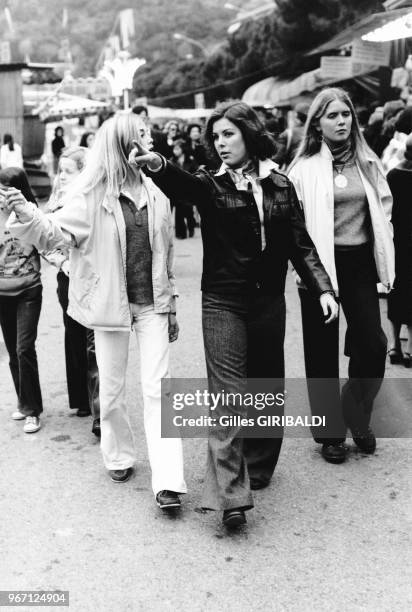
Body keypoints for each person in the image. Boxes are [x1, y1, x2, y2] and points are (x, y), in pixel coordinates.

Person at [129, 100, 338, 528]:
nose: (220, 143)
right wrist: (157, 164)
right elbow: (183, 185)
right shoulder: (210, 182)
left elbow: (301, 244)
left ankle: (258, 464)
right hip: (222, 300)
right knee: (227, 396)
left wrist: (324, 289)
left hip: (267, 302)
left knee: (266, 386)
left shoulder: (280, 184)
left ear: (248, 133)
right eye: (216, 137)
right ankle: (230, 495)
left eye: (228, 134)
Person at [3, 112, 186, 510]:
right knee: (113, 389)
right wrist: (24, 211)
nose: (148, 142)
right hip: (109, 306)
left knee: (160, 389)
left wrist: (171, 303)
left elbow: (166, 251)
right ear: (123, 145)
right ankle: (118, 455)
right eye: (141, 136)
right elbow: (53, 234)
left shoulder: (156, 191)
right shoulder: (90, 196)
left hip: (153, 302)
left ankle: (169, 481)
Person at [288, 87, 395, 465]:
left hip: (359, 265)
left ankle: (356, 410)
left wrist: (386, 249)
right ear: (317, 123)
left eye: (346, 114)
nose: (341, 121)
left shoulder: (367, 160)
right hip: (318, 271)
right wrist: (305, 271)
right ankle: (329, 435)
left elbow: (384, 208)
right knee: (320, 355)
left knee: (374, 343)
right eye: (332, 115)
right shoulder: (302, 169)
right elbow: (293, 226)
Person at [45, 146, 100, 436]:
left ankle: (98, 404)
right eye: (60, 170)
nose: (61, 176)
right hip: (66, 277)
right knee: (73, 335)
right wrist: (62, 262)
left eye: (68, 171)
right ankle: (80, 399)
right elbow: (45, 242)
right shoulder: (56, 199)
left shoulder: (90, 201)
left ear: (83, 172)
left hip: (91, 276)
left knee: (93, 341)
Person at [0, 167, 43, 434]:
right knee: (13, 351)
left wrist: (22, 209)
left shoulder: (31, 213)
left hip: (29, 288)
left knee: (24, 348)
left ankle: (32, 412)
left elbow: (48, 240)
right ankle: (24, 399)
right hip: (2, 291)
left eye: (8, 188)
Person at [386, 133, 412, 368]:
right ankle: (410, 348)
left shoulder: (393, 175)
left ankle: (394, 345)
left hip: (398, 244)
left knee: (397, 292)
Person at [169, 139, 197, 239]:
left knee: (189, 212)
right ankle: (180, 233)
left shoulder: (190, 160)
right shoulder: (171, 161)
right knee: (179, 212)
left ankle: (191, 226)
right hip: (176, 190)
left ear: (182, 149)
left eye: (177, 149)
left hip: (188, 189)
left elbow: (195, 173)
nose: (175, 151)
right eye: (174, 149)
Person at [273, 102, 310, 170]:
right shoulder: (317, 133)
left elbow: (278, 157)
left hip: (292, 172)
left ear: (296, 116)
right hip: (310, 172)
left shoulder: (288, 133)